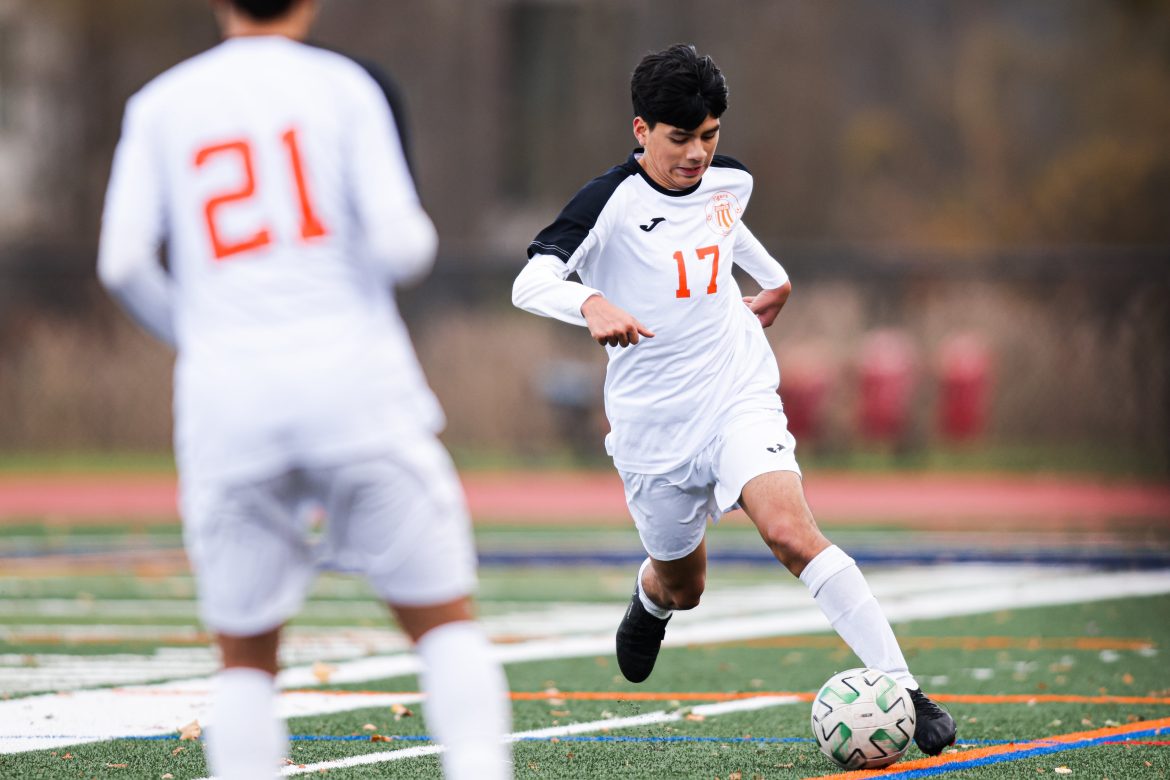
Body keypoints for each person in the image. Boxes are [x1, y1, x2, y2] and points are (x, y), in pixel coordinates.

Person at [97, 1, 512, 777]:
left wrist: (203, 334)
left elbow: (121, 263)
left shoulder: (159, 104)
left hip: (229, 401)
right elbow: (403, 247)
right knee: (443, 623)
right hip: (354, 387)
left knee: (245, 659)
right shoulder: (345, 87)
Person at [512, 43, 956, 757]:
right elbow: (530, 280)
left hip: (735, 389)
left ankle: (905, 687)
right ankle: (652, 597)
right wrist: (589, 302)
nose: (697, 154)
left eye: (709, 136)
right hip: (654, 425)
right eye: (679, 138)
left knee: (790, 532)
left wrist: (773, 277)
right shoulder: (609, 203)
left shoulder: (730, 180)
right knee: (685, 585)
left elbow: (722, 224)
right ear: (641, 131)